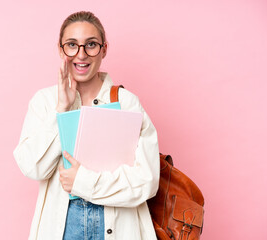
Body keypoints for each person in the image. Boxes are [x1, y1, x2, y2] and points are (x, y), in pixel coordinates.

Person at [13, 11, 160, 240]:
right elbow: (33, 167)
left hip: (118, 230)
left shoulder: (127, 103)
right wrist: (62, 109)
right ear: (61, 49)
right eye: (72, 45)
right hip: (62, 230)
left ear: (104, 49)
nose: (81, 55)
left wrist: (83, 182)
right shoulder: (44, 102)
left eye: (91, 44)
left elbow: (147, 181)